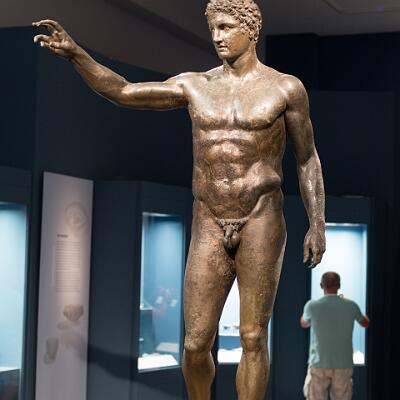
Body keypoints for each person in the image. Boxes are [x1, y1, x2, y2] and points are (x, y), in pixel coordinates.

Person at [33, 1, 326, 399]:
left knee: (253, 336)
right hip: (209, 218)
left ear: (250, 29)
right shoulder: (195, 85)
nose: (217, 37)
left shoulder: (285, 88)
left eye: (226, 27)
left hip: (261, 216)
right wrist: (77, 55)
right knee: (195, 343)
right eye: (213, 29)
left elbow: (307, 158)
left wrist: (317, 222)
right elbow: (123, 91)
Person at [300, 272, 370, 400]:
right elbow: (365, 323)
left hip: (319, 362)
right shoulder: (351, 305)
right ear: (339, 285)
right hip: (343, 363)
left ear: (321, 285)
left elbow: (304, 323)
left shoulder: (312, 305)